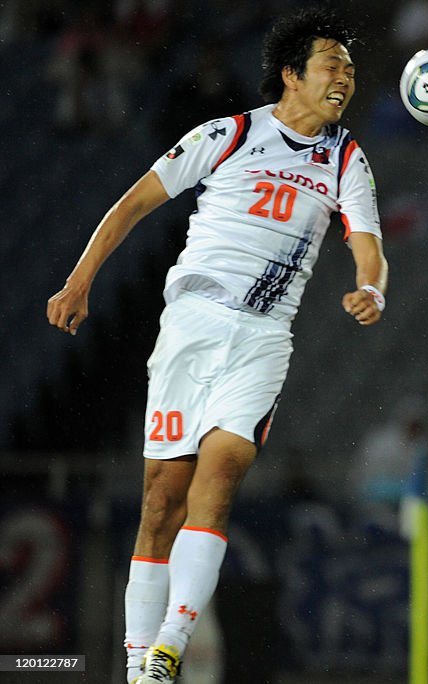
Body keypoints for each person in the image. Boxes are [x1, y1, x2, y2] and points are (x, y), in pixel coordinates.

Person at [45, 8, 386, 683]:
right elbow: (133, 204)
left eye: (350, 67)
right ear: (291, 74)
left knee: (221, 477)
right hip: (193, 324)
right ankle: (139, 658)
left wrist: (371, 289)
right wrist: (80, 282)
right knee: (160, 501)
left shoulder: (347, 156)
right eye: (332, 64)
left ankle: (170, 643)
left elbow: (367, 243)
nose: (344, 77)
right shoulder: (229, 134)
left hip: (263, 336)